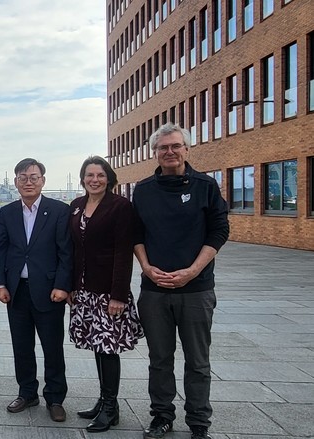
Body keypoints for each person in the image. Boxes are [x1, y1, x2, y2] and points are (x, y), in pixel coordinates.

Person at [133, 123, 229, 439]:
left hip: (196, 289)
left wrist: (192, 270)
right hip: (154, 290)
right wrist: (146, 267)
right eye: (163, 147)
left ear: (187, 149)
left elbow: (219, 231)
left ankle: (199, 422)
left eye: (175, 146)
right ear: (154, 152)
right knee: (159, 359)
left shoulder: (205, 186)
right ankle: (161, 416)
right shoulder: (143, 189)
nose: (170, 152)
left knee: (198, 361)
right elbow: (136, 233)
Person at [0, 158, 73, 423]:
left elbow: (66, 252)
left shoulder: (59, 211)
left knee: (52, 347)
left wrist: (62, 285)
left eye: (33, 177)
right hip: (17, 291)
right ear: (16, 182)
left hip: (50, 291)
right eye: (23, 178)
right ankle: (27, 393)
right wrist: (1, 284)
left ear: (43, 181)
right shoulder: (6, 213)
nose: (28, 182)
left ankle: (55, 398)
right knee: (22, 346)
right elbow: (1, 250)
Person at [68, 156, 144, 432]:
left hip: (108, 292)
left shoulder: (120, 206)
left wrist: (118, 295)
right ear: (83, 179)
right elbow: (75, 249)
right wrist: (72, 285)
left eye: (100, 175)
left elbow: (123, 252)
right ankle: (103, 401)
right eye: (89, 175)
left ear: (109, 178)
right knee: (97, 347)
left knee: (108, 349)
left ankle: (110, 408)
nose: (95, 180)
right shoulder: (77, 205)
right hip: (85, 290)